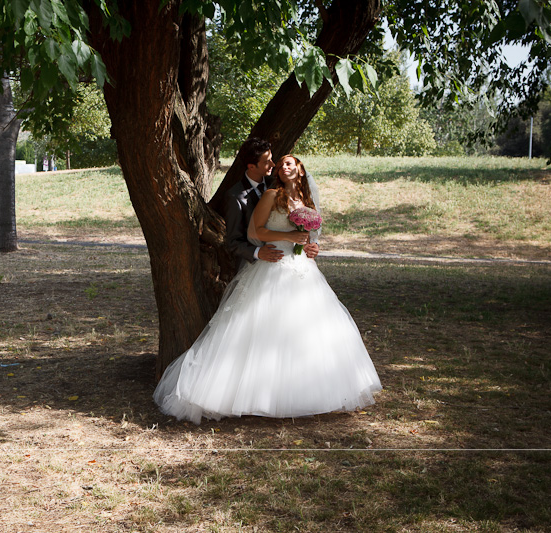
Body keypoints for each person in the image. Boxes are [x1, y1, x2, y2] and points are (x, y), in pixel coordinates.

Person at [153, 153, 382, 424]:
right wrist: (288, 237)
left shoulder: (306, 201)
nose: (284, 167)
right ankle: (247, 394)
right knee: (259, 328)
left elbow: (310, 237)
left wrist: (311, 246)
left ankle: (304, 392)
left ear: (300, 168)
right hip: (273, 265)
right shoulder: (272, 195)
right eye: (281, 163)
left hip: (302, 268)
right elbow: (255, 231)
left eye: (290, 163)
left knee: (306, 331)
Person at [224, 137, 318, 268]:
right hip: (259, 264)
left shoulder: (278, 184)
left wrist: (312, 245)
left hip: (292, 259)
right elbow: (233, 241)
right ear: (251, 166)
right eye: (267, 162)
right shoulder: (236, 196)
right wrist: (257, 252)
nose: (273, 165)